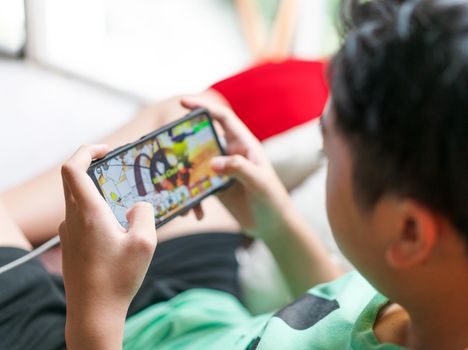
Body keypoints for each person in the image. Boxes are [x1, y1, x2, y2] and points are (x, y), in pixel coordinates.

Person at [1, 0, 468, 349]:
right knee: (189, 120)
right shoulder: (432, 294)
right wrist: (274, 220)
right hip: (207, 320)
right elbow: (338, 309)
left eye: (329, 150)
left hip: (109, 333)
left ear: (408, 232)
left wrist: (96, 307)